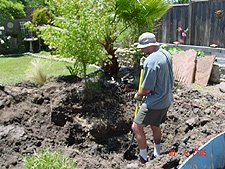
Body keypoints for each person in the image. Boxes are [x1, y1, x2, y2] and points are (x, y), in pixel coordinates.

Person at [127, 32, 174, 168]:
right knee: (155, 125)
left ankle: (142, 158)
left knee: (136, 127)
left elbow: (147, 89)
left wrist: (138, 95)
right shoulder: (165, 53)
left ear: (148, 46)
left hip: (156, 101)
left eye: (142, 48)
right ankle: (157, 153)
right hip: (167, 98)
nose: (142, 50)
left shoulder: (152, 60)